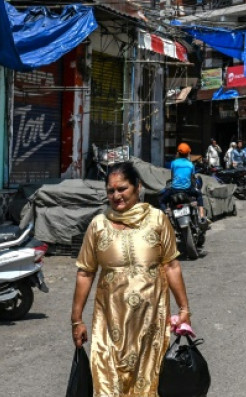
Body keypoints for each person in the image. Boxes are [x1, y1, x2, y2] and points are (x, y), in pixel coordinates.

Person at [71, 162, 192, 396]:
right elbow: (85, 272)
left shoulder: (157, 220)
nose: (116, 196)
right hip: (109, 322)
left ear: (137, 187)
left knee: (147, 384)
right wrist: (76, 320)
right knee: (107, 383)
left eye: (122, 189)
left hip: (151, 323)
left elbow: (172, 265)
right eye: (111, 191)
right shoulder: (98, 225)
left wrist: (184, 308)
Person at [159, 143, 207, 224]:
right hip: (187, 190)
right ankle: (202, 215)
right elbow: (192, 177)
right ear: (188, 153)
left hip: (174, 190)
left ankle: (167, 213)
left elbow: (173, 176)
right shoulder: (190, 164)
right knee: (199, 194)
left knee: (161, 200)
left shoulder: (173, 163)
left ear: (178, 152)